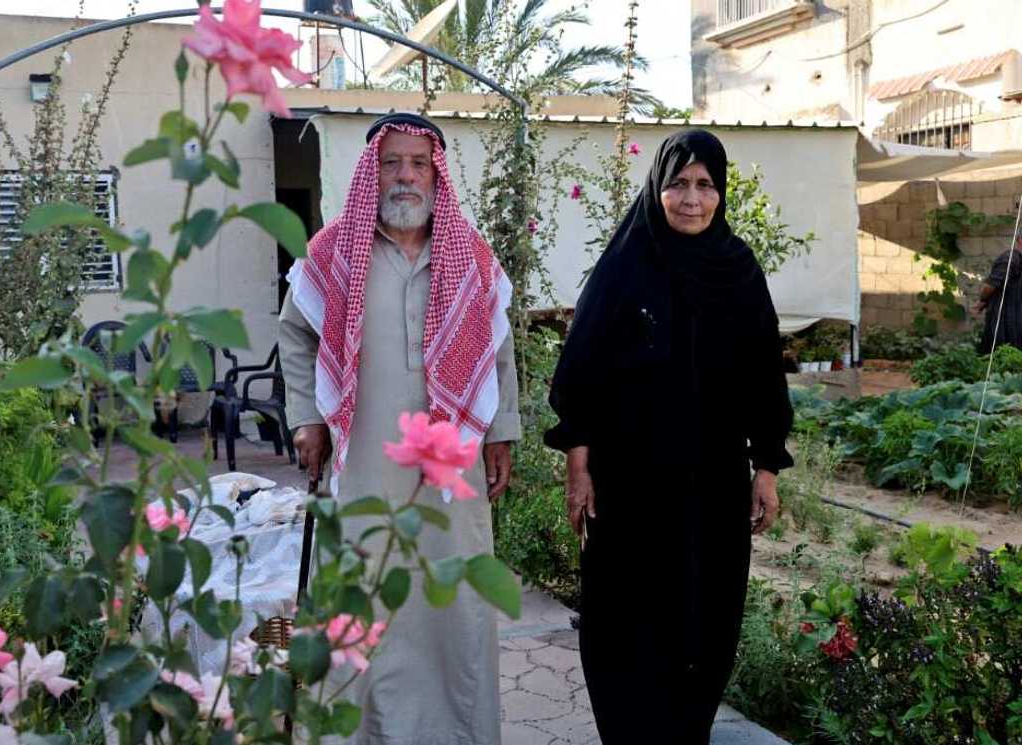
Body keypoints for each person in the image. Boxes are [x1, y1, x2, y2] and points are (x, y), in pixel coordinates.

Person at [544, 129, 794, 743]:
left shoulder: (737, 269)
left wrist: (766, 466)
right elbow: (580, 369)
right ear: (657, 187)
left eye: (705, 185)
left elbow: (764, 372)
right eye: (678, 183)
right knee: (626, 617)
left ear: (721, 193)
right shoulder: (626, 265)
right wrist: (578, 464)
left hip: (712, 483)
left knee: (705, 614)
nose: (691, 199)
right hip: (628, 483)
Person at [278, 112, 520, 745]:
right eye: (392, 163)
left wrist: (502, 431)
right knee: (362, 592)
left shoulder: (471, 255)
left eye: (418, 163)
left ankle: (455, 733)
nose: (405, 175)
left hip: (450, 468)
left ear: (436, 173)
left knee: (455, 596)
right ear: (371, 173)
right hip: (363, 464)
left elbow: (499, 348)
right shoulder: (332, 253)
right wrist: (306, 416)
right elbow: (296, 334)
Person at [975, 237, 1022, 354]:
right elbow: (991, 286)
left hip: (1013, 316)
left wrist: (982, 300)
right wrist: (982, 300)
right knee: (1001, 353)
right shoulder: (1009, 258)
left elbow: (990, 287)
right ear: (1020, 239)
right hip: (1004, 316)